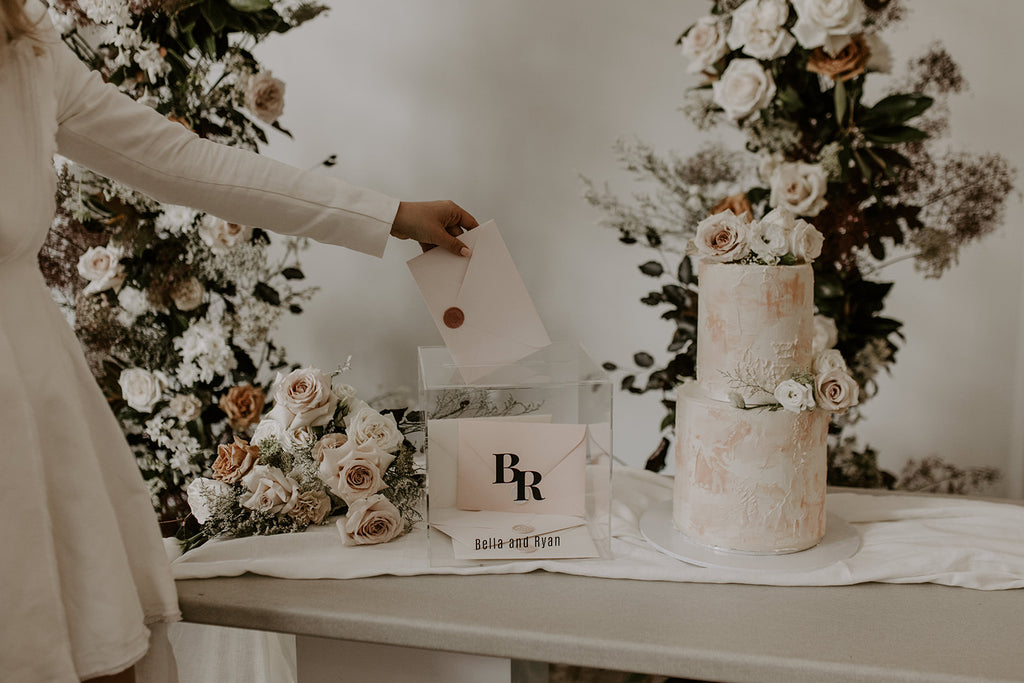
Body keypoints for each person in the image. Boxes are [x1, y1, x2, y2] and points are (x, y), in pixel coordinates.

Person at [0, 0, 478, 681]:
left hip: (29, 384)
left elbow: (180, 159)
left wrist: (389, 214)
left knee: (85, 638)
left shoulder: (28, 46)